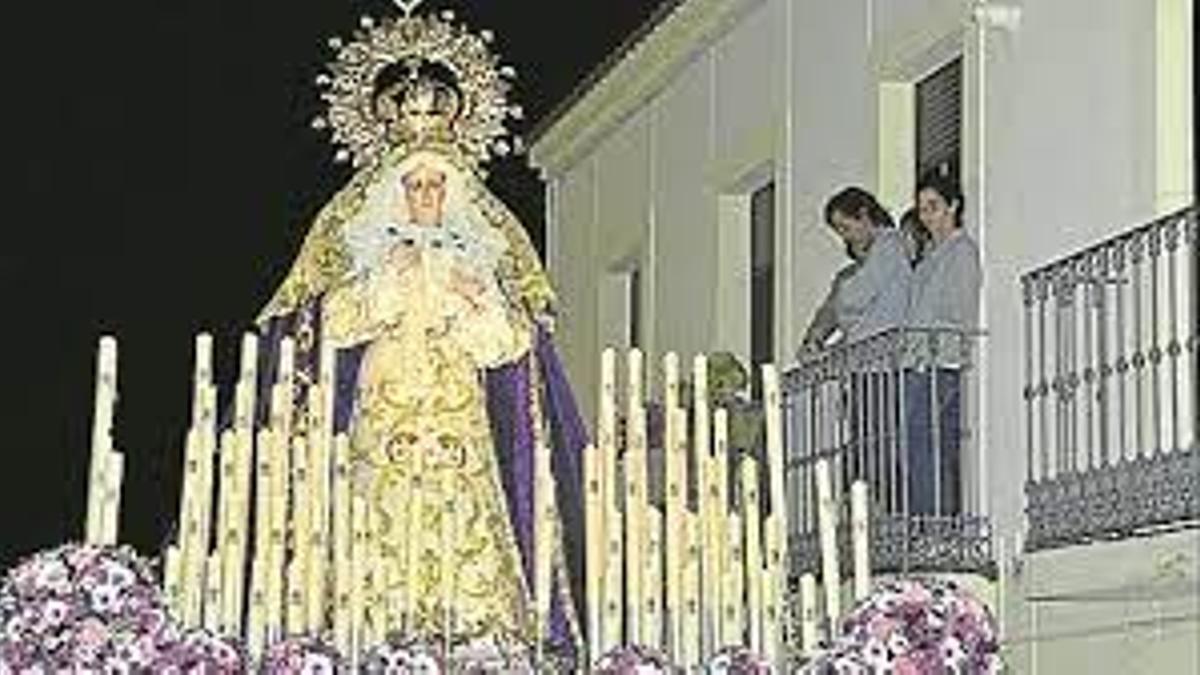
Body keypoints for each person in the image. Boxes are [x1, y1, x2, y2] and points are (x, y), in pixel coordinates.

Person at [252, 21, 584, 660]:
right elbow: (330, 328)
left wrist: (473, 300)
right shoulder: (369, 259)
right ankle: (370, 638)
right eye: (414, 185)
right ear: (395, 193)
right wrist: (384, 285)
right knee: (375, 522)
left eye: (436, 185)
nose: (426, 196)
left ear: (452, 193)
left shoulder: (476, 264)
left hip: (458, 424)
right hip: (385, 418)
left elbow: (511, 349)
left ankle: (480, 644)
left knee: (466, 528)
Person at [903, 171, 981, 517]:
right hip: (919, 362)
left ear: (954, 206)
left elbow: (960, 311)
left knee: (924, 444)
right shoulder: (929, 259)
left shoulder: (961, 252)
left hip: (940, 362)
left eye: (933, 206)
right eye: (922, 209)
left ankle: (936, 523)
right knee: (924, 445)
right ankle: (932, 520)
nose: (927, 216)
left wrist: (936, 348)